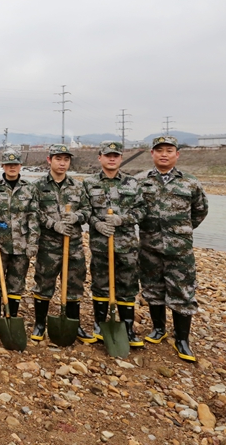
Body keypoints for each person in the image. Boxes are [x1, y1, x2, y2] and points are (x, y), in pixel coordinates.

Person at [138, 135, 208, 362]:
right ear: (152, 154)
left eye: (169, 150)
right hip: (149, 247)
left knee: (182, 292)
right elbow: (134, 209)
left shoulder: (190, 182)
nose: (164, 154)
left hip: (180, 250)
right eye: (159, 150)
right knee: (153, 288)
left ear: (177, 154)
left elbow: (200, 211)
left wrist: (180, 231)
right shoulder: (141, 181)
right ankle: (158, 329)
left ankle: (182, 339)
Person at [82, 141, 146, 347]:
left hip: (126, 245)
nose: (112, 159)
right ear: (100, 157)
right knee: (100, 284)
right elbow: (85, 211)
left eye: (115, 156)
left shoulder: (132, 183)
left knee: (127, 286)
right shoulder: (89, 183)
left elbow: (141, 211)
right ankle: (100, 324)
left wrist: (122, 219)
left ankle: (127, 327)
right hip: (101, 244)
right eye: (108, 155)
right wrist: (97, 224)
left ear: (121, 158)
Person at [31, 144, 94, 343]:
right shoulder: (38, 186)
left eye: (66, 159)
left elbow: (88, 210)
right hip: (48, 245)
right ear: (49, 160)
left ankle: (74, 323)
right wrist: (53, 224)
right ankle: (39, 324)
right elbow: (33, 212)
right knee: (44, 283)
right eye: (58, 159)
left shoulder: (77, 186)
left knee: (74, 284)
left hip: (73, 244)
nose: (62, 163)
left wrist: (77, 216)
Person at [0, 148, 40, 338]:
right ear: (3, 166)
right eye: (8, 164)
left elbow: (34, 217)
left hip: (21, 245)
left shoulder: (29, 188)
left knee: (16, 284)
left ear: (20, 166)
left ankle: (11, 318)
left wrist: (33, 242)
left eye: (15, 164)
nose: (12, 167)